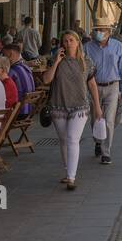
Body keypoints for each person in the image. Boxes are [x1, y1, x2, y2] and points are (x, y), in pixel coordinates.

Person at [43, 30, 102, 188]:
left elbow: (92, 84)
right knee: (63, 140)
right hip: (58, 106)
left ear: (78, 42)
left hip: (80, 107)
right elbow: (46, 79)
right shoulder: (56, 60)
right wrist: (56, 61)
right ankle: (67, 170)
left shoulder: (86, 61)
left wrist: (97, 106)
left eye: (71, 40)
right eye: (65, 41)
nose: (68, 43)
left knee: (72, 139)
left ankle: (71, 178)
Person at [84, 21, 122, 166]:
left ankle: (106, 152)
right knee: (95, 119)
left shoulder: (117, 46)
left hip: (112, 86)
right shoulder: (87, 48)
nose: (99, 32)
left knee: (109, 120)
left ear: (109, 31)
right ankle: (98, 141)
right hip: (94, 87)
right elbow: (84, 70)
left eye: (102, 29)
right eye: (97, 29)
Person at [4, 44, 36, 116]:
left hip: (18, 112)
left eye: (4, 55)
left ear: (10, 55)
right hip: (29, 110)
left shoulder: (12, 71)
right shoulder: (26, 67)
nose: (4, 58)